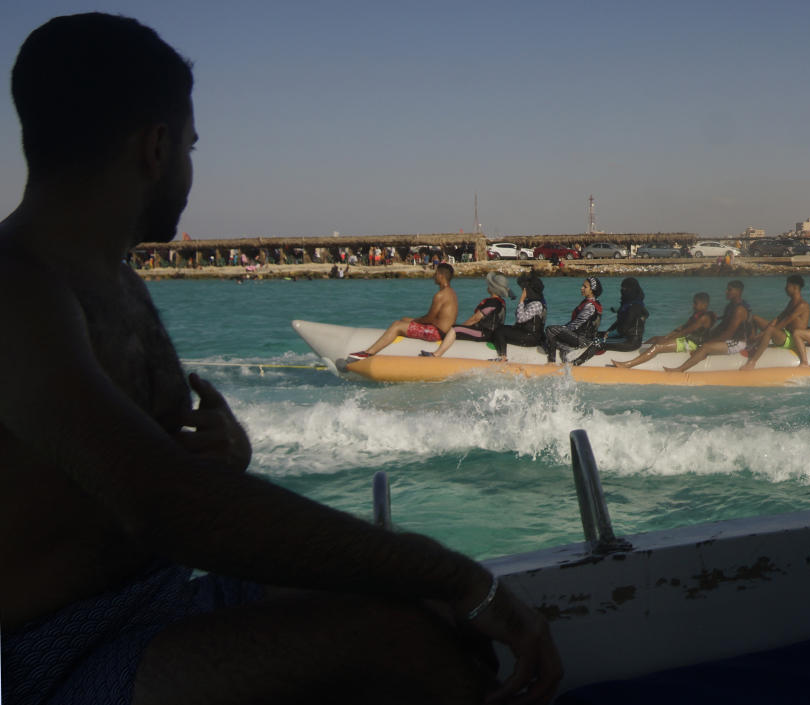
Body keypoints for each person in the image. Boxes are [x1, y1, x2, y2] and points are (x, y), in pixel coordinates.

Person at [0, 14, 561, 705]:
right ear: (156, 146)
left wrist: (228, 452)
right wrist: (448, 569)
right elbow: (162, 503)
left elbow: (144, 479)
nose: (189, 170)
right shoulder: (18, 291)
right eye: (191, 148)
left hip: (163, 595)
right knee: (398, 635)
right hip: (49, 657)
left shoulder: (118, 281)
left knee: (418, 614)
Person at [348, 262, 457, 359]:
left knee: (397, 325)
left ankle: (368, 353)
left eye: (436, 273)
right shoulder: (452, 293)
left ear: (441, 275)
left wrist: (414, 321)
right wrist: (410, 320)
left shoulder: (440, 295)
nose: (434, 276)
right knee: (404, 319)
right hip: (442, 331)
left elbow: (430, 318)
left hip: (436, 333)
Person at [664, 280, 752, 373]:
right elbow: (722, 326)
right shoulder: (730, 306)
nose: (726, 292)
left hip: (737, 343)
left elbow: (728, 334)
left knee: (705, 347)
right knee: (702, 342)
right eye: (727, 289)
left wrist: (708, 343)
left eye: (729, 290)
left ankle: (679, 370)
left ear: (738, 292)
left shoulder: (739, 310)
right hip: (728, 340)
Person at [612, 292, 715, 369]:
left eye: (695, 303)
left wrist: (667, 340)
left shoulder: (704, 318)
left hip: (692, 344)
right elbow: (682, 328)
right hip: (685, 340)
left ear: (704, 305)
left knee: (658, 346)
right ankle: (635, 353)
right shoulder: (696, 315)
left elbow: (685, 331)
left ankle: (628, 364)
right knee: (655, 339)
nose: (693, 305)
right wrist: (667, 336)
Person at [425, 271, 513, 357]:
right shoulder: (500, 302)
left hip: (484, 333)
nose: (488, 286)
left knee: (455, 329)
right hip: (489, 333)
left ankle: (436, 354)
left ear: (493, 288)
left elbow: (475, 318)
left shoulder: (492, 302)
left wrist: (462, 327)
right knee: (457, 328)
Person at [740, 275, 810, 371]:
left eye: (787, 286)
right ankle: (752, 344)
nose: (785, 288)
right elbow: (779, 318)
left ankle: (752, 362)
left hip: (793, 339)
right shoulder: (792, 302)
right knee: (754, 318)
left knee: (770, 330)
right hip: (785, 333)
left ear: (795, 287)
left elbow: (785, 321)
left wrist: (765, 333)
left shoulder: (802, 305)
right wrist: (766, 329)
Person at [572, 277, 648, 365]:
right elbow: (645, 314)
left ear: (632, 289)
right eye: (622, 288)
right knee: (595, 334)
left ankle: (575, 363)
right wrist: (609, 331)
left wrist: (610, 334)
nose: (623, 290)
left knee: (598, 343)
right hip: (625, 337)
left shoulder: (634, 306)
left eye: (626, 288)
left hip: (631, 341)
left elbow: (624, 327)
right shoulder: (632, 302)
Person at [490, 271, 547, 361]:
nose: (522, 291)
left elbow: (520, 319)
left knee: (500, 331)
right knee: (501, 328)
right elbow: (518, 318)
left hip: (531, 337)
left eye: (524, 289)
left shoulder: (536, 304)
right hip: (525, 333)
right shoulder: (530, 302)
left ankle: (503, 357)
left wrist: (521, 300)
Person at [543, 277, 603, 363]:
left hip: (583, 340)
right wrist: (563, 331)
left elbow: (576, 324)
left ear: (592, 290)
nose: (581, 288)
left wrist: (561, 330)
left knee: (550, 330)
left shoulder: (590, 306)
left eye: (585, 287)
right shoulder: (591, 302)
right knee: (555, 332)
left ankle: (551, 361)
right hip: (582, 337)